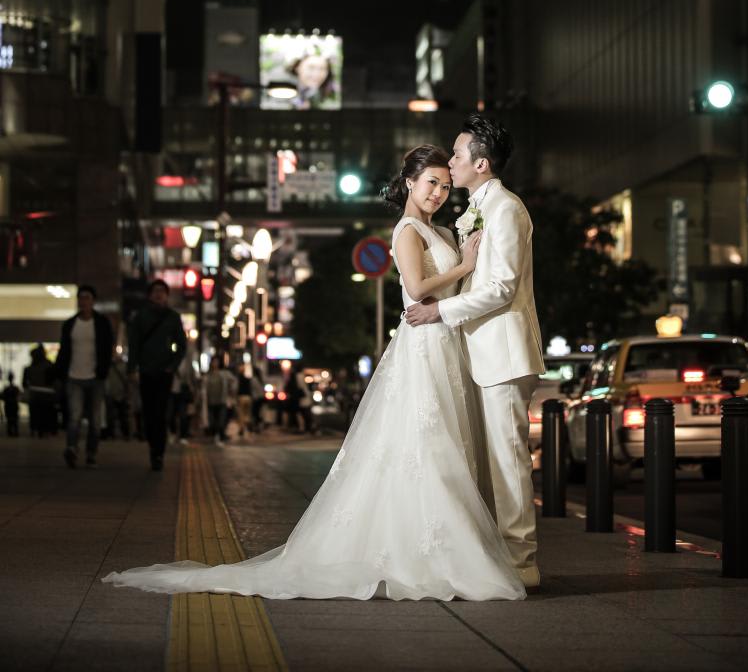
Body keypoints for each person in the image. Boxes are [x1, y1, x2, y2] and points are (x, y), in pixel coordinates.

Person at [104, 145, 525, 601]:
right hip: (422, 345)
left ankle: (437, 546)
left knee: (439, 445)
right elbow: (416, 287)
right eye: (431, 183)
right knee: (427, 443)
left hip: (444, 343)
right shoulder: (407, 230)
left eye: (444, 185)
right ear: (409, 182)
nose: (439, 193)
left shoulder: (440, 229)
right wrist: (464, 265)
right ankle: (438, 553)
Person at [406, 114, 545, 591]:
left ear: (481, 163)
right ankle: (498, 558)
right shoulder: (476, 210)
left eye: (458, 154)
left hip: (504, 352)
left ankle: (522, 562)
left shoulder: (506, 209)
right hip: (479, 351)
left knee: (508, 461)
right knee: (489, 464)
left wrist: (440, 312)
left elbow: (502, 287)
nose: (451, 161)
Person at [126, 279, 187, 470]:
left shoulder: (173, 317)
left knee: (160, 412)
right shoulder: (141, 316)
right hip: (145, 371)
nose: (158, 294)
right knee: (148, 412)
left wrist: (172, 366)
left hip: (164, 372)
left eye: (162, 291)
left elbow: (182, 345)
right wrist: (131, 368)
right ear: (150, 295)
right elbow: (134, 344)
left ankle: (158, 453)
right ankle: (154, 447)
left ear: (167, 295)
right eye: (155, 291)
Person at [55, 284, 114, 468]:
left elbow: (107, 349)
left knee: (95, 420)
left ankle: (91, 453)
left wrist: (103, 370)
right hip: (74, 376)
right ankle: (72, 448)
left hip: (96, 377)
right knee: (75, 416)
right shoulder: (70, 324)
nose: (83, 301)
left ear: (93, 301)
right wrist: (59, 373)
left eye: (87, 297)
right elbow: (64, 351)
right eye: (81, 298)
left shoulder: (102, 323)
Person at [23, 344, 57, 437]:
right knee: (45, 413)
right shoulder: (49, 365)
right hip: (47, 394)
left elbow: (25, 383)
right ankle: (44, 430)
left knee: (35, 413)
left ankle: (35, 429)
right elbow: (54, 380)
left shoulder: (29, 368)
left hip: (34, 394)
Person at [204, 356, 233, 445]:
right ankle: (215, 435)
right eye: (214, 362)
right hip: (211, 400)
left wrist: (230, 391)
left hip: (222, 400)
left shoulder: (224, 373)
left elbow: (233, 381)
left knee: (221, 420)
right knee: (212, 420)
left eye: (216, 362)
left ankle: (220, 436)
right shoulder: (208, 375)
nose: (215, 364)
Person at [3, 372, 20, 436]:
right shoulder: (13, 388)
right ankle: (13, 431)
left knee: (11, 419)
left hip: (10, 405)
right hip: (11, 404)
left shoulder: (7, 388)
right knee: (13, 419)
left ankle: (12, 431)